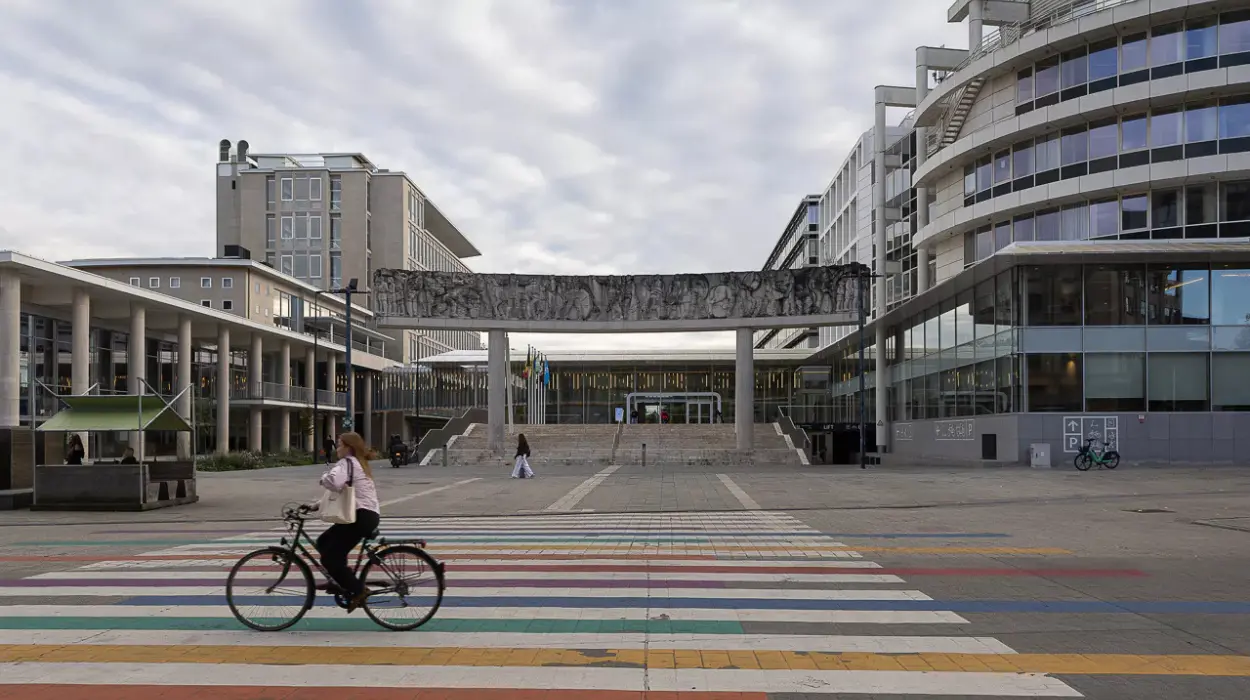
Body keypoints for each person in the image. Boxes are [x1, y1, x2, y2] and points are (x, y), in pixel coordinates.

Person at [314, 431, 380, 612]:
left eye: (340, 445)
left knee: (330, 557)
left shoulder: (347, 462)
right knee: (324, 542)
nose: (337, 448)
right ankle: (340, 580)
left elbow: (334, 482)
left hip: (359, 517)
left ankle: (359, 590)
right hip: (366, 515)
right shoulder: (359, 463)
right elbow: (344, 493)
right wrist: (316, 505)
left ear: (349, 448)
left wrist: (323, 478)